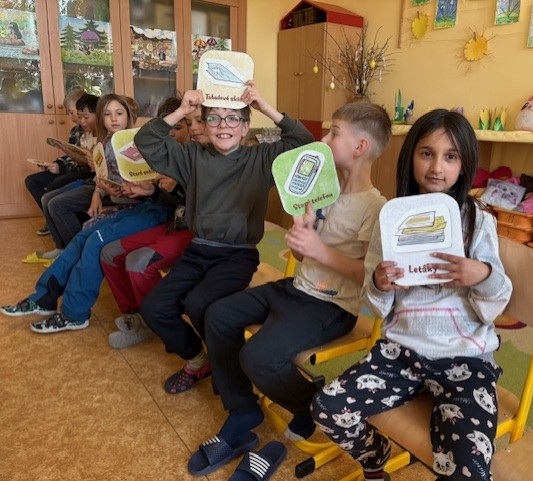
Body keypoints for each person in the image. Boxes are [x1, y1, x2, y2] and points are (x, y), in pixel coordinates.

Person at [187, 102, 392, 477]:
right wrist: (302, 237)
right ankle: (242, 408)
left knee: (257, 357)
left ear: (360, 147)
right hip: (296, 288)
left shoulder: (375, 207)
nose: (324, 139)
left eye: (334, 133)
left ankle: (310, 405)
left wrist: (319, 250)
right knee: (217, 315)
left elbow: (368, 274)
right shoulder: (323, 189)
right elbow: (301, 253)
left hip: (332, 306)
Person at [310, 109, 513, 481]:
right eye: (427, 153)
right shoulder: (390, 219)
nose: (437, 167)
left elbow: (498, 297)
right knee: (327, 408)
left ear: (464, 165)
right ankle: (376, 458)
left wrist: (481, 274)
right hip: (401, 352)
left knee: (469, 468)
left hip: (465, 358)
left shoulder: (477, 220)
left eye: (450, 156)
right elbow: (377, 305)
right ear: (410, 157)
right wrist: (379, 283)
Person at [133, 83, 314, 395]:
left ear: (245, 128)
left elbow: (304, 143)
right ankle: (200, 359)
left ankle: (226, 369)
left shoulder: (262, 159)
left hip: (238, 254)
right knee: (153, 307)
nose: (223, 125)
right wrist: (182, 110)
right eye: (214, 118)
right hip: (198, 250)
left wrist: (264, 106)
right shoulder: (191, 156)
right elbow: (145, 140)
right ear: (204, 125)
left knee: (199, 303)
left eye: (233, 118)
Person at [0, 98, 181, 331]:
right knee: (83, 237)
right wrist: (106, 188)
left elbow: (165, 195)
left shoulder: (173, 150)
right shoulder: (137, 143)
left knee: (96, 240)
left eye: (180, 125)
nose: (173, 131)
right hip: (144, 205)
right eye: (108, 114)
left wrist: (144, 189)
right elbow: (139, 185)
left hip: (156, 211)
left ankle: (74, 313)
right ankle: (44, 297)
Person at [100, 103, 205, 349]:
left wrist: (180, 185)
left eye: (199, 121)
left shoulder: (212, 158)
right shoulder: (182, 154)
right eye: (190, 122)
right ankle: (136, 314)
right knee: (110, 253)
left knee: (138, 261)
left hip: (195, 231)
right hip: (175, 224)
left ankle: (152, 322)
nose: (194, 128)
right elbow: (175, 203)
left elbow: (207, 211)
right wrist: (152, 191)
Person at [23, 93, 135, 264]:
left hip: (117, 193)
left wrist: (99, 188)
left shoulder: (133, 142)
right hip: (101, 187)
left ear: (128, 116)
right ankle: (64, 249)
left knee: (57, 204)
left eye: (119, 113)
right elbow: (101, 175)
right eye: (107, 114)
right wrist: (97, 192)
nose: (113, 119)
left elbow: (127, 182)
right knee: (48, 199)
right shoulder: (105, 142)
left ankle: (76, 254)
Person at [24, 88, 88, 235]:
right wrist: (55, 164)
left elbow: (84, 163)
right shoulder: (75, 131)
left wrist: (61, 168)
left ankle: (63, 221)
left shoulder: (93, 129)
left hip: (79, 172)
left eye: (71, 112)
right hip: (69, 169)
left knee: (56, 185)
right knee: (32, 181)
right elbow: (71, 154)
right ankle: (51, 220)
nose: (70, 116)